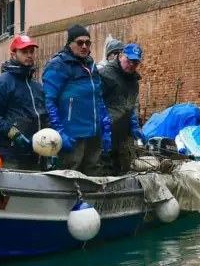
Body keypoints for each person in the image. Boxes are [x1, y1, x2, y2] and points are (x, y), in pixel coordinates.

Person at [42, 24, 112, 174]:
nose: (84, 46)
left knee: (93, 179)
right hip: (72, 136)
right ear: (70, 43)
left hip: (94, 135)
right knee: (70, 179)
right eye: (80, 43)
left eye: (88, 43)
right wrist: (59, 132)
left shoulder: (91, 66)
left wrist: (105, 129)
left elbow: (98, 99)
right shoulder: (58, 65)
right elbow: (48, 101)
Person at [0, 34, 49, 169]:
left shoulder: (36, 86)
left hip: (37, 154)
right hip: (10, 154)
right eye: (24, 52)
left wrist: (52, 148)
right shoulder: (1, 83)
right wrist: (15, 134)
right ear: (13, 54)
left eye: (31, 51)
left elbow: (44, 117)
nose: (29, 55)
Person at [99, 43, 143, 173]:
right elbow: (96, 103)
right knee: (104, 170)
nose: (131, 65)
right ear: (121, 55)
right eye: (129, 61)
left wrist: (133, 125)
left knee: (122, 169)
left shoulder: (133, 81)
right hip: (105, 132)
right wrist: (104, 128)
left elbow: (130, 106)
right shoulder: (105, 74)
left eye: (135, 63)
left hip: (122, 134)